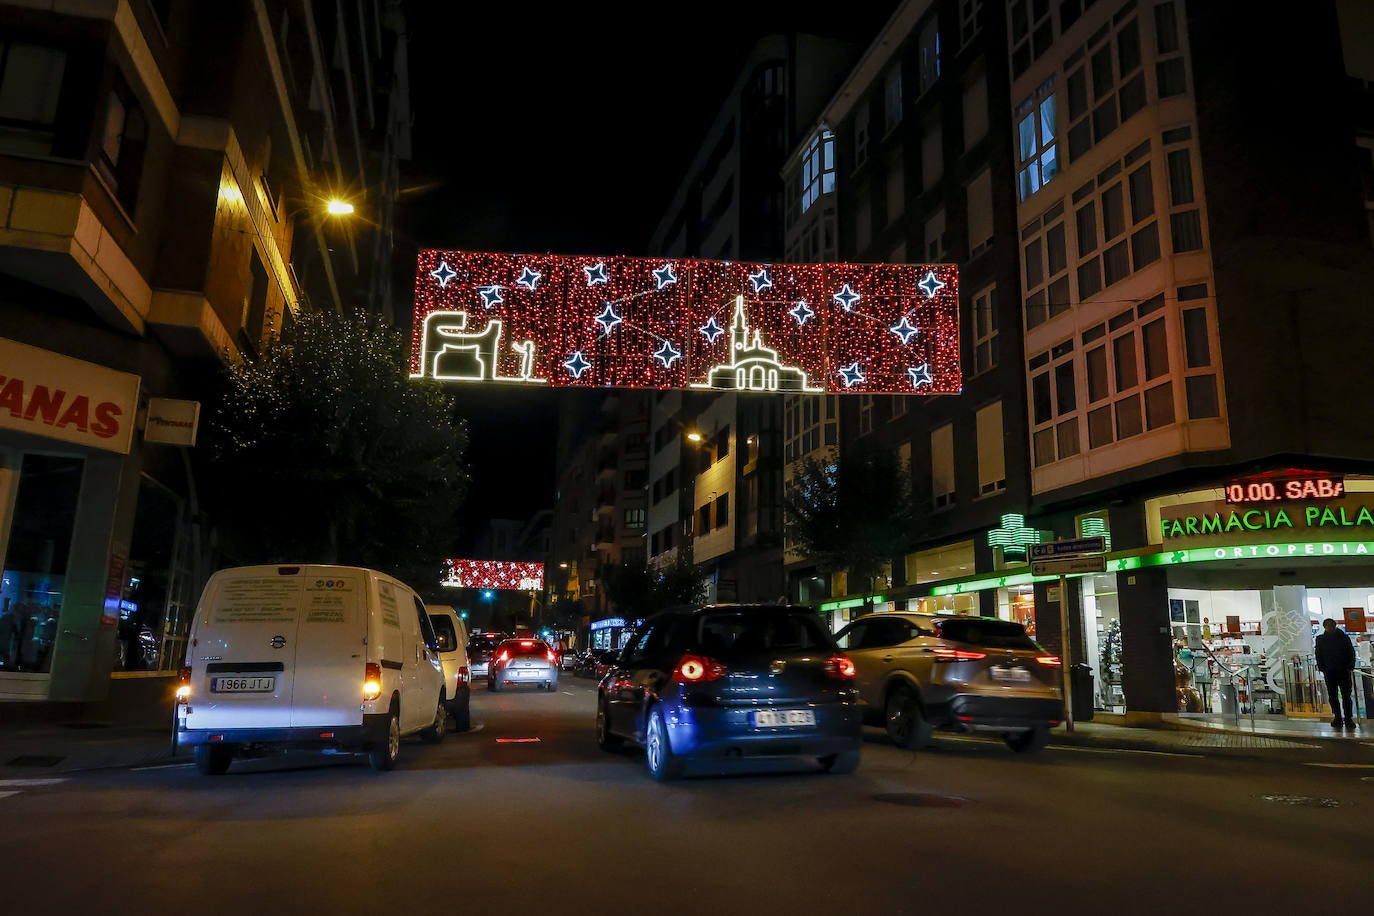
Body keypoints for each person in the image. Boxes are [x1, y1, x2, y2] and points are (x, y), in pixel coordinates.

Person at [1314, 618, 1357, 729]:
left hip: (1343, 671)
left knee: (1346, 696)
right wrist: (1322, 668)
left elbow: (1351, 653)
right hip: (1330, 672)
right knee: (1333, 696)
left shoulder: (1343, 638)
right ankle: (1337, 717)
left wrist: (1350, 667)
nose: (1329, 628)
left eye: (1331, 626)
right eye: (1327, 626)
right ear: (1324, 627)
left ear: (1334, 626)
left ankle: (1348, 718)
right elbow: (1318, 655)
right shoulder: (1320, 639)